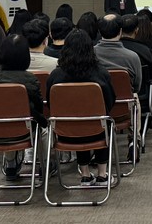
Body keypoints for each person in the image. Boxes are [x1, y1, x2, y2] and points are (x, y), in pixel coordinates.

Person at [47, 30, 116, 186]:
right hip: (98, 131)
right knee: (101, 120)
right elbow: (110, 102)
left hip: (65, 133)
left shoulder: (55, 76)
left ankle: (85, 175)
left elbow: (51, 104)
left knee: (77, 121)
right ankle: (102, 174)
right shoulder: (101, 73)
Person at [0, 34, 48, 179]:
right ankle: (45, 165)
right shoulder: (29, 80)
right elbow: (39, 109)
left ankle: (11, 164)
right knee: (41, 130)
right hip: (23, 132)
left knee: (5, 120)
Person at [94, 15, 142, 92]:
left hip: (98, 98)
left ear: (99, 31)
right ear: (120, 31)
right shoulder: (133, 57)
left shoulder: (90, 54)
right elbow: (137, 87)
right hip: (126, 99)